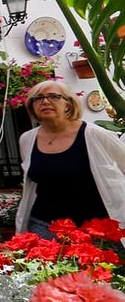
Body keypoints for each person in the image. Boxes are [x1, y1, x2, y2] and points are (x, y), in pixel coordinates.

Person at [15, 80, 125, 237]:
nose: (45, 101)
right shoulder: (27, 139)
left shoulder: (95, 134)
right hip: (44, 226)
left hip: (95, 229)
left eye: (53, 96)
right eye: (38, 98)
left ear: (68, 104)